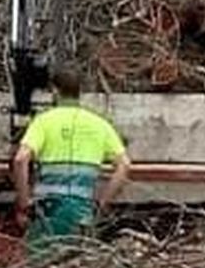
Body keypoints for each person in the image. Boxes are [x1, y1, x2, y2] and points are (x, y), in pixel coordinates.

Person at [12, 66, 131, 254]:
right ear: (79, 92)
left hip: (48, 212)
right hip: (82, 213)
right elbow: (124, 165)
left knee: (39, 265)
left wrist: (24, 202)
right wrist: (102, 204)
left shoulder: (43, 121)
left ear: (55, 91)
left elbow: (20, 160)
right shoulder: (100, 124)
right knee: (75, 266)